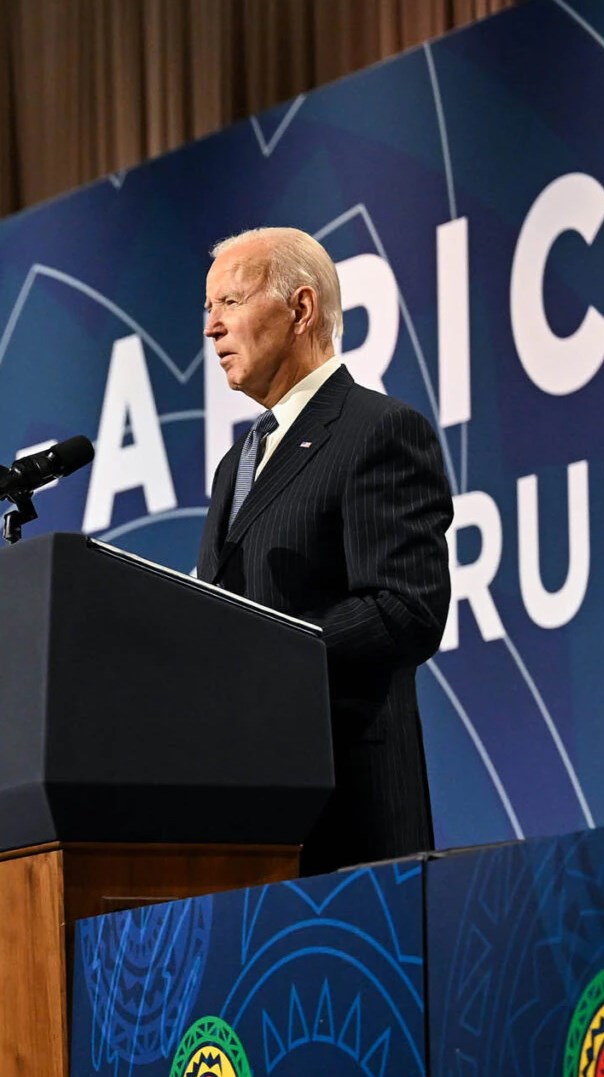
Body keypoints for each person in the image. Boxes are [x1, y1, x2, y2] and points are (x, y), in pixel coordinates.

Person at [195, 227, 453, 874]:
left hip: (348, 813)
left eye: (229, 302)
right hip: (245, 819)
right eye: (208, 309)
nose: (212, 328)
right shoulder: (235, 465)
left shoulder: (377, 431)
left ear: (301, 309)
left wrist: (268, 656)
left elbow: (405, 608)